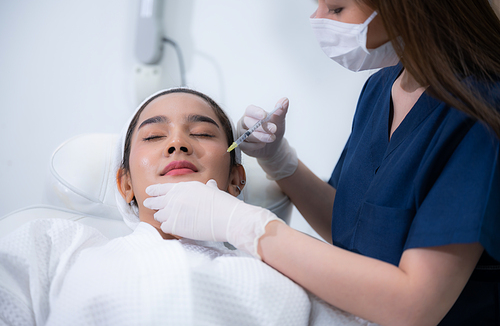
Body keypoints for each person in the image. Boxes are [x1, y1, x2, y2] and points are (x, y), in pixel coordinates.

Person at [142, 0, 500, 325]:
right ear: (123, 182)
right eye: (154, 136)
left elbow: (415, 303)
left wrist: (243, 224)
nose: (317, 19)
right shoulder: (382, 87)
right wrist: (279, 161)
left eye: (335, 8)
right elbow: (356, 226)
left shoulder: (481, 115)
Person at [0, 88, 369, 326]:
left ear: (236, 179)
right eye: (154, 136)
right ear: (124, 183)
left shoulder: (290, 269)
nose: (177, 143)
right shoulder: (54, 245)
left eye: (203, 133)